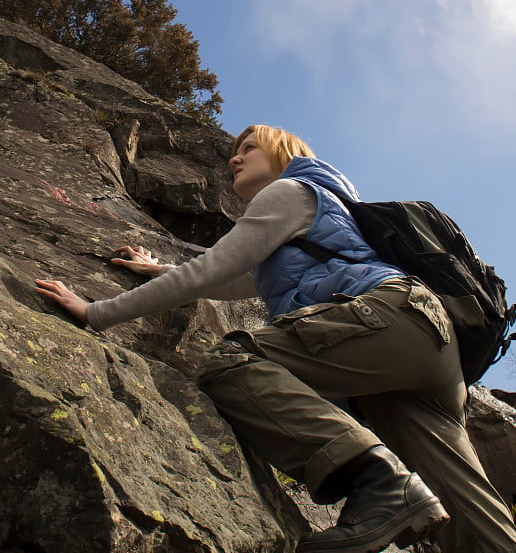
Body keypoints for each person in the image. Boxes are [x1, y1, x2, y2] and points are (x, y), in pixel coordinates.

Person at [36, 125, 516, 553]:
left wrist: (96, 312)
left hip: (389, 318)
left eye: (249, 147)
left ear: (282, 152)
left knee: (231, 360)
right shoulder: (324, 208)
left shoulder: (288, 191)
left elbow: (209, 272)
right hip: (424, 346)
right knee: (467, 511)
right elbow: (238, 281)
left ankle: (379, 482)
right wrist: (157, 268)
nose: (234, 158)